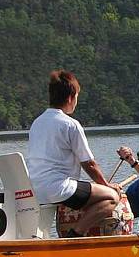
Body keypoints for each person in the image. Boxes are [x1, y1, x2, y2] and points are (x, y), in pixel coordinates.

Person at [27, 70, 120, 237]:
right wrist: (106, 185)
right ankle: (76, 234)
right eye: (76, 97)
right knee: (113, 197)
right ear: (70, 98)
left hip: (34, 189)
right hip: (59, 188)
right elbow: (89, 164)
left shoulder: (37, 123)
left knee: (90, 191)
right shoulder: (70, 124)